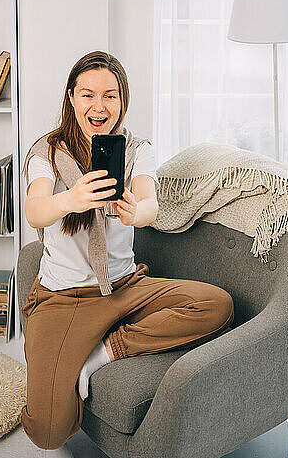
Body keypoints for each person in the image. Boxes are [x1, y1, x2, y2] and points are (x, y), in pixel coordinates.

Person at [21, 50, 234, 453]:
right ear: (71, 99)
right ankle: (49, 355)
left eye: (110, 96)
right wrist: (71, 199)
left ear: (123, 100)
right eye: (87, 95)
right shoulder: (46, 152)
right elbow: (35, 209)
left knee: (216, 305)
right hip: (65, 297)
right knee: (48, 432)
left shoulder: (136, 148)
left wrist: (139, 212)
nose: (98, 107)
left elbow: (150, 201)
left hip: (124, 288)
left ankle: (102, 352)